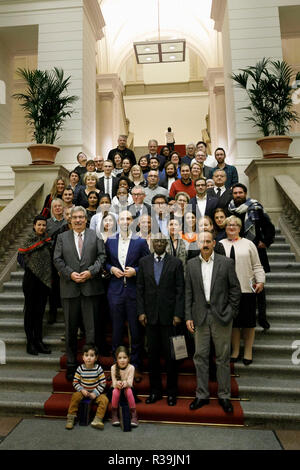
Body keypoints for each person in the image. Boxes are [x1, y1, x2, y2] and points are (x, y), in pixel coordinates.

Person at [185, 230, 241, 413]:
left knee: (223, 358)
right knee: (200, 357)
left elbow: (235, 289)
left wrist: (231, 311)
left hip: (221, 317)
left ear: (214, 242)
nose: (206, 244)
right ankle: (202, 394)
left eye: (209, 241)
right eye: (202, 242)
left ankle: (224, 396)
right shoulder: (191, 264)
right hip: (200, 317)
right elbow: (188, 294)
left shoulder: (226, 263)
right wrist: (188, 316)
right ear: (198, 244)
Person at [54, 206, 106, 381]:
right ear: (70, 220)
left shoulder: (95, 235)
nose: (77, 220)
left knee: (91, 329)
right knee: (70, 329)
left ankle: (90, 364)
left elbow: (102, 257)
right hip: (70, 289)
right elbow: (57, 259)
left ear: (86, 219)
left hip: (91, 288)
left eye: (81, 217)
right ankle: (70, 364)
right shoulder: (62, 237)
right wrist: (70, 273)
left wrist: (91, 271)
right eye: (74, 217)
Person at [137, 234, 185, 406]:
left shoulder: (176, 263)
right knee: (153, 357)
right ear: (151, 244)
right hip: (150, 318)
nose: (158, 244)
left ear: (166, 244)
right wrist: (141, 312)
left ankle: (172, 393)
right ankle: (155, 391)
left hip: (170, 318)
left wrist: (178, 314)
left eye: (161, 241)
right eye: (155, 241)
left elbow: (180, 290)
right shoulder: (144, 262)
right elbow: (140, 289)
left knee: (172, 357)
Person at [105, 210, 150, 382]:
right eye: (122, 218)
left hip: (133, 292)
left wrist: (136, 271)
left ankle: (136, 366)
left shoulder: (140, 242)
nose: (125, 221)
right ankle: (117, 367)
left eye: (128, 218)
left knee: (136, 330)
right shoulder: (110, 241)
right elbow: (105, 261)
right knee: (116, 330)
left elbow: (147, 264)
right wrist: (111, 269)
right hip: (115, 291)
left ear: (133, 222)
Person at [220, 216, 265, 365]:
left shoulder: (248, 244)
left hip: (247, 288)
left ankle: (248, 351)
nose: (231, 227)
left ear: (239, 228)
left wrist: (261, 281)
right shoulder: (220, 245)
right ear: (225, 228)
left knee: (248, 323)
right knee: (233, 323)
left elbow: (257, 265)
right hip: (227, 292)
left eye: (234, 225)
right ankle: (235, 351)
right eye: (228, 225)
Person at [228, 183, 275, 330]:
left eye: (240, 193)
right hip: (237, 251)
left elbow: (269, 226)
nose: (238, 195)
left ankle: (262, 317)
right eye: (235, 193)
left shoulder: (255, 207)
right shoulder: (231, 209)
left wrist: (265, 241)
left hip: (256, 249)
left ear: (245, 193)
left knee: (259, 286)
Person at [18, 215, 52, 355]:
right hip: (31, 280)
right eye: (39, 225)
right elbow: (21, 257)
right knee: (30, 312)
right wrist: (31, 267)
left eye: (44, 225)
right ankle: (30, 342)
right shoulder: (28, 240)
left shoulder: (48, 240)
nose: (41, 227)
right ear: (34, 226)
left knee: (40, 312)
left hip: (44, 281)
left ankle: (39, 341)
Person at [65, 344, 109, 430]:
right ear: (83, 357)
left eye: (92, 355)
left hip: (95, 393)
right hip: (84, 392)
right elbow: (75, 382)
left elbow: (103, 383)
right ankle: (71, 418)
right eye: (86, 355)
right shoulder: (80, 368)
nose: (89, 358)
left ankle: (97, 419)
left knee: (104, 399)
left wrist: (95, 393)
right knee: (75, 396)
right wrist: (82, 390)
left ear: (96, 358)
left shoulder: (98, 368)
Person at [110, 346, 139, 427]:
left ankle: (133, 414)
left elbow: (130, 382)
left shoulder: (131, 367)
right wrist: (117, 384)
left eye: (125, 357)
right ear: (116, 359)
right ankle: (114, 414)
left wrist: (125, 383)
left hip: (127, 388)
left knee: (129, 391)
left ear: (128, 358)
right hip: (117, 388)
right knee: (115, 391)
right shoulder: (113, 367)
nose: (122, 360)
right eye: (120, 358)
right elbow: (114, 382)